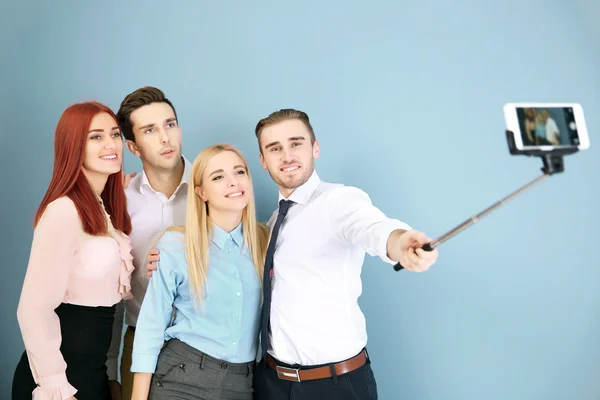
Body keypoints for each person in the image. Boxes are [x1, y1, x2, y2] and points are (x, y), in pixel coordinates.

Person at [251, 109, 439, 399]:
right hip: (273, 383)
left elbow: (374, 227)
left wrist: (400, 243)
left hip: (334, 385)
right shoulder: (275, 221)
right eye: (275, 148)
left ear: (315, 147)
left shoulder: (339, 201)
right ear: (263, 160)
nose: (286, 156)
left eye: (296, 143)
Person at [12, 101, 134, 400]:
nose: (111, 144)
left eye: (115, 134)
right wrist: (55, 386)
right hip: (60, 380)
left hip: (92, 372)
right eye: (96, 136)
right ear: (74, 146)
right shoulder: (63, 211)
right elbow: (32, 309)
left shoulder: (104, 210)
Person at [130, 144, 269, 399]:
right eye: (218, 176)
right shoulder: (175, 245)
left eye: (239, 172)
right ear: (201, 192)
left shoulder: (266, 242)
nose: (233, 182)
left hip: (242, 384)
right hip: (181, 378)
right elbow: (151, 326)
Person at [109, 86, 191, 399]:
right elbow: (112, 294)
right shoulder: (119, 202)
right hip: (140, 344)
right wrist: (108, 370)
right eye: (150, 130)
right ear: (132, 146)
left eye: (170, 124)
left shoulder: (215, 188)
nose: (165, 138)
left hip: (208, 351)